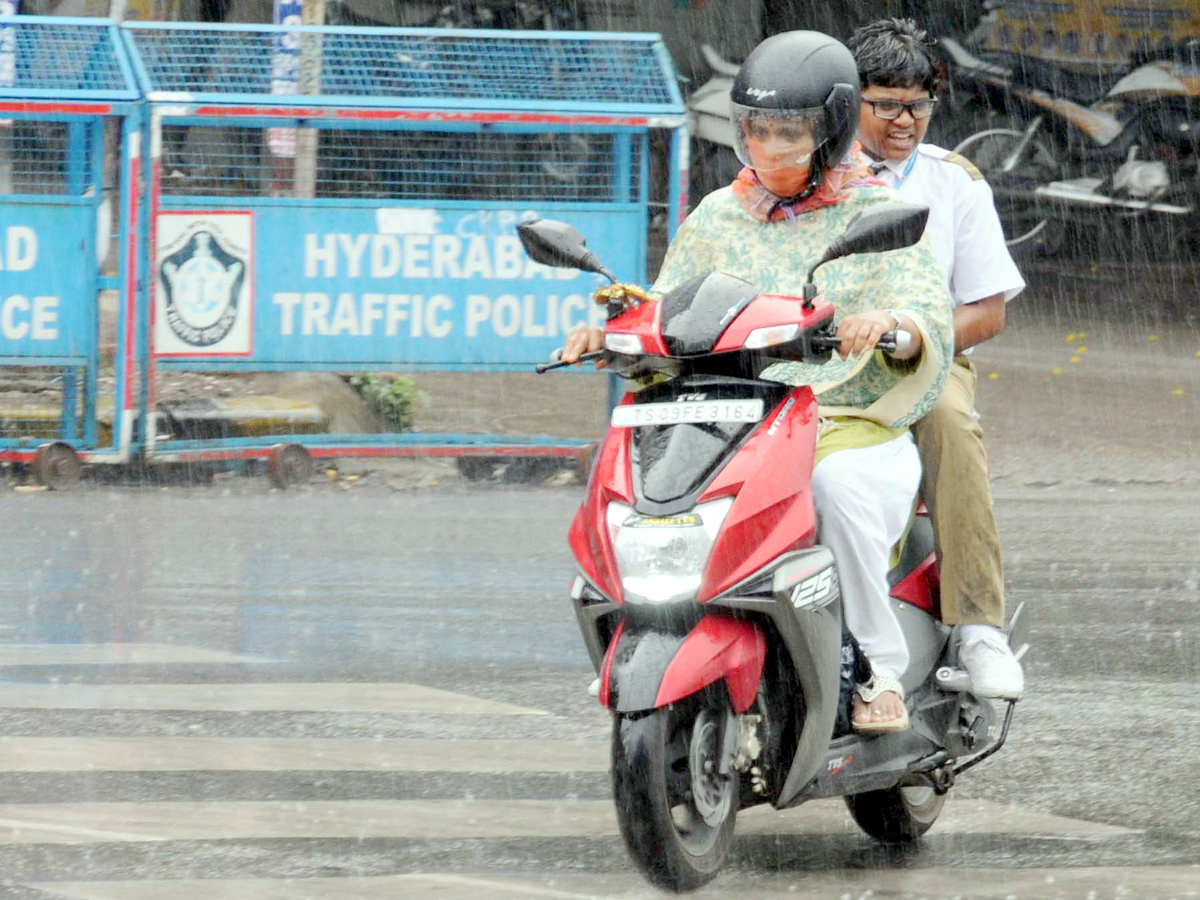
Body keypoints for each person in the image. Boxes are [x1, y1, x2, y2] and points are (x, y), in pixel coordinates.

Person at [564, 30, 955, 733]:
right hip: (734, 421)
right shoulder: (720, 213)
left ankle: (875, 669)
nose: (771, 150)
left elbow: (925, 310)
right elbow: (669, 307)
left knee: (832, 494)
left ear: (831, 135)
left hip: (844, 423)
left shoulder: (873, 212)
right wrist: (614, 333)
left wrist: (891, 324)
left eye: (791, 133)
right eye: (758, 132)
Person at [847, 17, 1026, 698]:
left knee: (951, 425)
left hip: (922, 360)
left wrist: (913, 336)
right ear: (849, 100)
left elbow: (987, 310)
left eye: (917, 104)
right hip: (821, 358)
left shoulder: (954, 183)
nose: (904, 120)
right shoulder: (809, 172)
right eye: (885, 103)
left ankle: (980, 626)